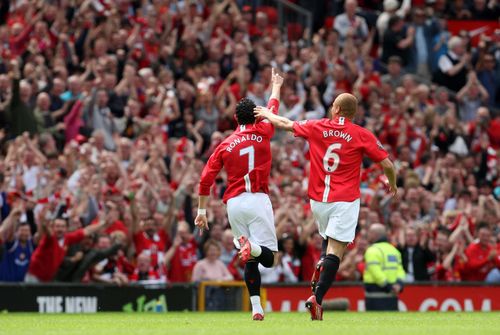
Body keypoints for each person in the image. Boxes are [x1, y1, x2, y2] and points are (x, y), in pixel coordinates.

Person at [254, 92, 397, 320]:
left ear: (337, 109)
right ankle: (317, 298)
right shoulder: (361, 134)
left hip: (318, 201)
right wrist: (392, 182)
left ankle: (321, 264)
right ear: (353, 112)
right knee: (336, 251)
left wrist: (267, 113)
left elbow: (285, 123)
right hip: (345, 200)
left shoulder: (317, 126)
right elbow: (387, 164)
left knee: (327, 240)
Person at [195, 68, 284, 321]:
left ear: (235, 118)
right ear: (257, 116)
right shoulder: (264, 130)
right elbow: (273, 108)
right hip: (257, 199)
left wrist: (201, 211)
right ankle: (253, 247)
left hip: (234, 204)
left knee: (250, 260)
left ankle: (256, 307)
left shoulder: (225, 144)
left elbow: (205, 178)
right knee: (268, 259)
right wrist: (276, 85)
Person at [363, 224, 406, 311]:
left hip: (375, 296)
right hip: (392, 296)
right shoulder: (394, 250)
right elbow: (400, 271)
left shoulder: (372, 250)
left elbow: (376, 272)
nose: (368, 235)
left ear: (375, 234)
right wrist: (399, 284)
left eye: (370, 232)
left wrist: (388, 286)